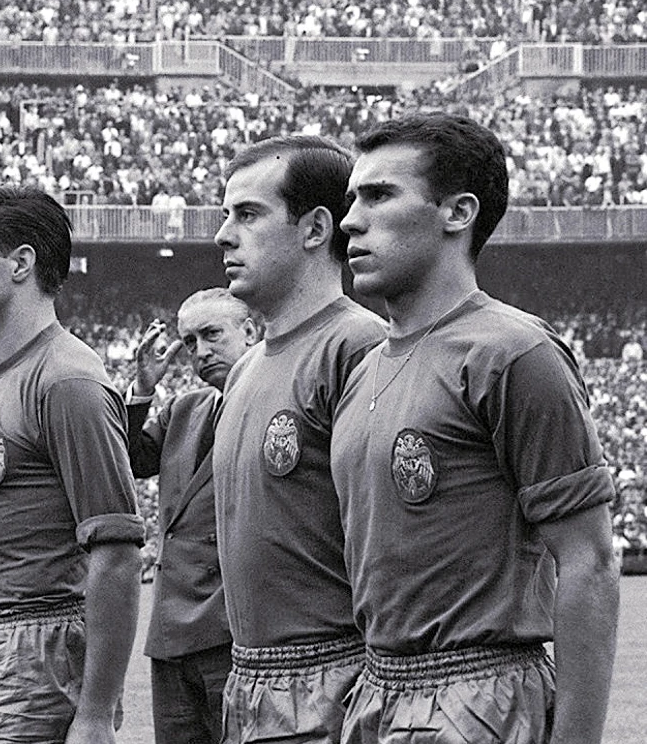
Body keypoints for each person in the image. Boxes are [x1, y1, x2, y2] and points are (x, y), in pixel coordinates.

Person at [335, 114, 619, 743]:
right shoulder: (361, 371)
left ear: (457, 212)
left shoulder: (512, 352)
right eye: (352, 198)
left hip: (483, 700)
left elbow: (590, 560)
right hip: (373, 694)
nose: (351, 219)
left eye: (379, 195)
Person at [0, 183, 143, 744]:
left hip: (41, 654)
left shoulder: (66, 378)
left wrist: (96, 711)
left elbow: (118, 553)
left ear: (21, 263)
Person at [211, 133, 384, 744]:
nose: (223, 235)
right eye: (225, 214)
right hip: (248, 682)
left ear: (316, 229)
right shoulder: (244, 368)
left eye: (248, 214)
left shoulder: (361, 347)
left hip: (335, 683)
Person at [128, 289, 256, 744]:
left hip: (234, 625)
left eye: (212, 335)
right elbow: (131, 459)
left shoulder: (275, 401)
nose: (201, 352)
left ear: (250, 332)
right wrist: (142, 390)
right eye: (190, 341)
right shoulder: (186, 408)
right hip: (173, 627)